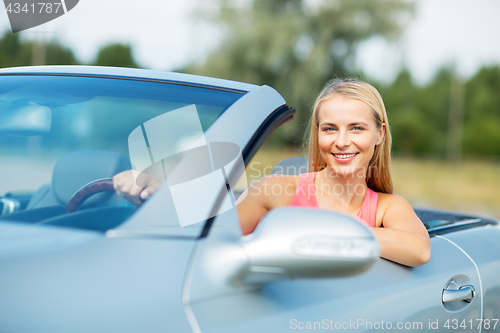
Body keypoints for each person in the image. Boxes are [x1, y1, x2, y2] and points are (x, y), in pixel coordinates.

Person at [113, 78, 431, 267]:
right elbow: (208, 232)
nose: (342, 141)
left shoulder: (388, 207)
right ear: (317, 134)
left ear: (379, 134)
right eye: (329, 128)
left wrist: (324, 233)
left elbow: (419, 249)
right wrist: (163, 192)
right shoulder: (277, 190)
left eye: (357, 128)